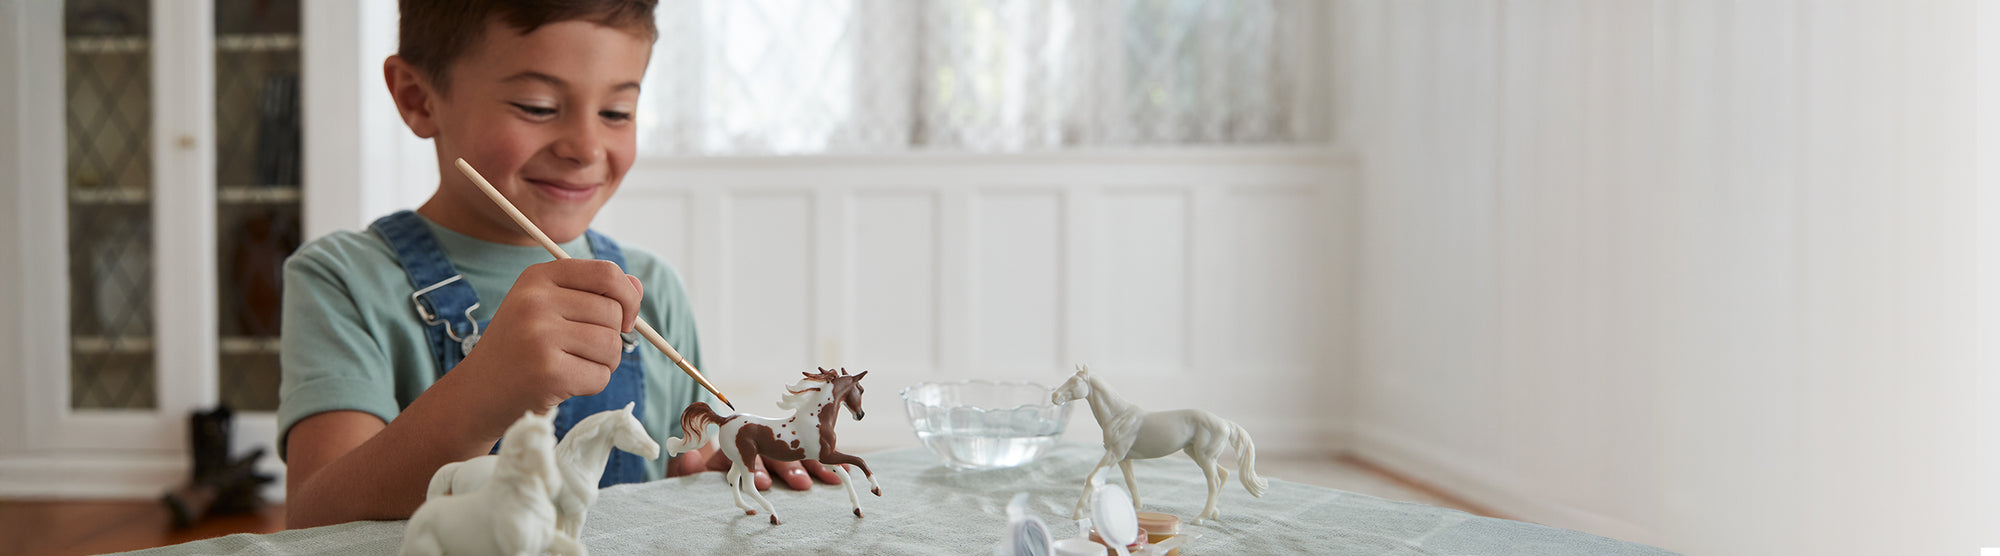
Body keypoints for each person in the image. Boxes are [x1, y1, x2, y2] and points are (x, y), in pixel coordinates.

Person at [278, 0, 837, 529]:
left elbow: (677, 465)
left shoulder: (651, 287)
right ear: (419, 99)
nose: (587, 147)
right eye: (538, 108)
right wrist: (488, 387)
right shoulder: (343, 280)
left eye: (617, 112)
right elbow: (316, 520)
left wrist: (715, 474)